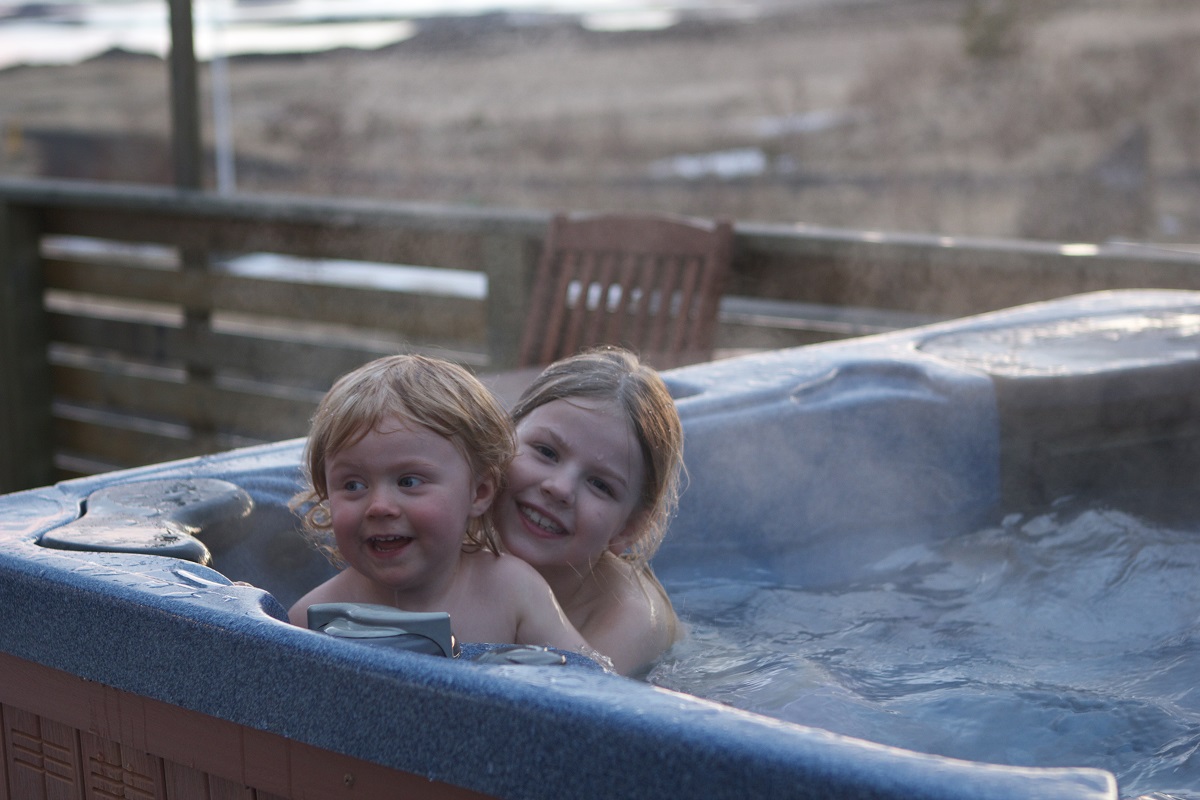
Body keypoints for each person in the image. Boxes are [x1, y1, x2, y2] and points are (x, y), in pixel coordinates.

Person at [287, 354, 593, 656]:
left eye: (408, 482)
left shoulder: (513, 592)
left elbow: (591, 685)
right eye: (353, 485)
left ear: (479, 493)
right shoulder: (312, 618)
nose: (379, 506)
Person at [493, 347, 684, 676]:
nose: (560, 488)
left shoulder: (632, 620)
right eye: (546, 451)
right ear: (501, 440)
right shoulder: (454, 529)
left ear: (629, 528)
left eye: (600, 485)